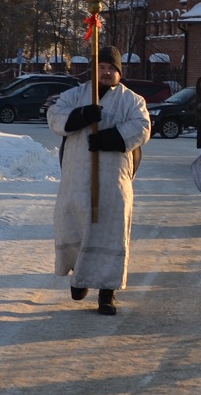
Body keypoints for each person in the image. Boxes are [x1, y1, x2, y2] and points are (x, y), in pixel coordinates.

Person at [46, 46, 151, 315]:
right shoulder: (74, 96)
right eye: (102, 67)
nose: (107, 72)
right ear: (94, 70)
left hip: (113, 179)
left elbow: (142, 127)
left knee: (111, 232)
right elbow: (54, 117)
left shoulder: (132, 101)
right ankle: (79, 278)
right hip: (77, 179)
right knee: (76, 225)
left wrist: (110, 138)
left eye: (112, 68)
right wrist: (80, 116)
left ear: (119, 72)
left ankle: (107, 292)